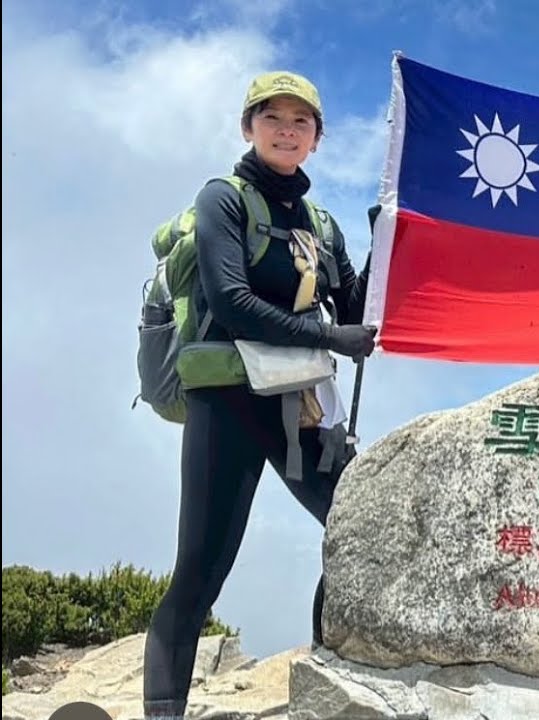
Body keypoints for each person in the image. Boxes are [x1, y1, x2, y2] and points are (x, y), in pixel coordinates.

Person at [142, 71, 378, 720]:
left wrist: (387, 243)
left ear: (317, 139)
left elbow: (359, 309)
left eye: (300, 122)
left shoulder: (319, 224)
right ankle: (163, 711)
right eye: (272, 118)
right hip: (230, 401)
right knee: (200, 572)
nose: (286, 130)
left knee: (359, 529)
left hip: (299, 402)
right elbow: (232, 303)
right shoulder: (224, 199)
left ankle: (336, 680)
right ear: (248, 128)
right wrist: (331, 333)